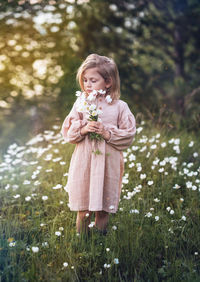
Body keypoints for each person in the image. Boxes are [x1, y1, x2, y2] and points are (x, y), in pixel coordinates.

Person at [60, 53, 136, 235]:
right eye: (85, 80)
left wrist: (107, 133)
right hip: (85, 161)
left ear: (108, 82)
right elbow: (68, 132)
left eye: (93, 80)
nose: (87, 84)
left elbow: (128, 134)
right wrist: (84, 128)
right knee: (83, 209)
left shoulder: (119, 106)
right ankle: (82, 245)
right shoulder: (81, 103)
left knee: (103, 209)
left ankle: (100, 246)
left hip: (107, 162)